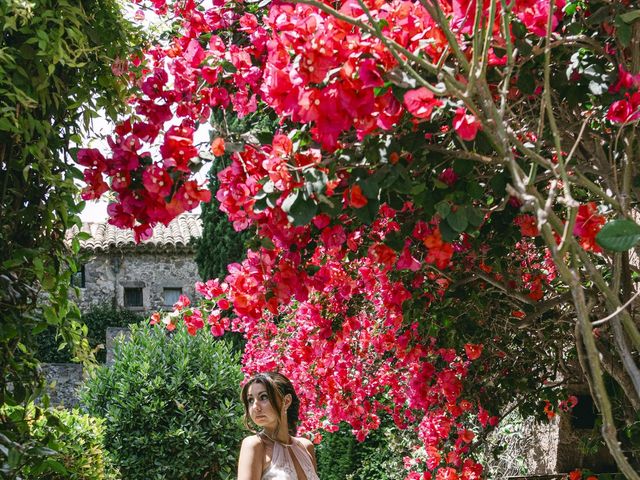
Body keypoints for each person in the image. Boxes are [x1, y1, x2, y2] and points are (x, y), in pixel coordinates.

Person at [237, 372, 320, 480]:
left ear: (286, 401)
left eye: (263, 397)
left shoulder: (306, 447)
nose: (255, 407)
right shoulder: (254, 445)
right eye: (251, 400)